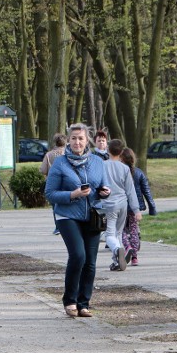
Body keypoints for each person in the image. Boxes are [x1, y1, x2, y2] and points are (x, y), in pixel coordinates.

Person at [44, 123, 111, 317]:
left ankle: (84, 303)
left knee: (90, 262)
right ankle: (70, 300)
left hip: (92, 216)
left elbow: (102, 186)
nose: (77, 142)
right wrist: (72, 194)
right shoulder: (60, 163)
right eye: (73, 138)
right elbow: (50, 193)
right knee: (78, 256)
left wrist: (104, 192)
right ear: (68, 140)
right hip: (67, 215)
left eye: (81, 138)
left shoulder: (98, 162)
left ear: (87, 140)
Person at [104, 139, 141, 271]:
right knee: (118, 233)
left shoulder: (103, 166)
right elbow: (130, 191)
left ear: (108, 150)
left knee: (108, 234)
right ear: (121, 153)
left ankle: (117, 249)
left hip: (109, 204)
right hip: (123, 205)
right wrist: (136, 210)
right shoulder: (125, 168)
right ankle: (117, 262)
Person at [119, 147, 156, 266]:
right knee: (134, 230)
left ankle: (127, 246)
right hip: (135, 208)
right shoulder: (139, 173)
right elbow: (147, 191)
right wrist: (152, 207)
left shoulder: (120, 172)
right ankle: (134, 257)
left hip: (122, 205)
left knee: (121, 230)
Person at [41, 133, 67, 235]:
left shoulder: (49, 155)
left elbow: (43, 170)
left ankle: (58, 227)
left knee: (55, 206)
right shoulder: (68, 154)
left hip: (52, 183)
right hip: (66, 182)